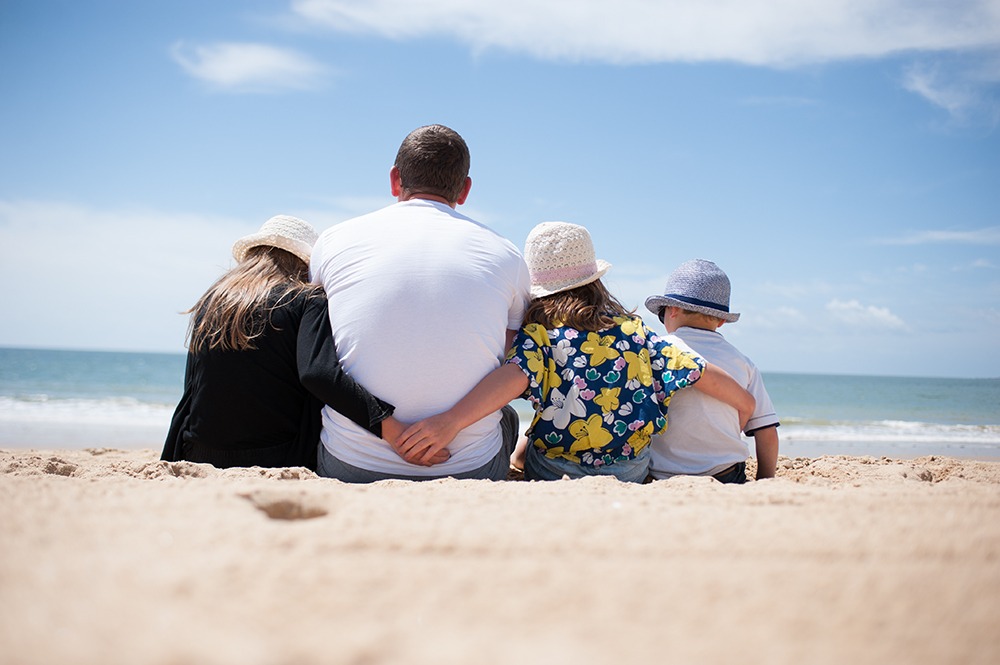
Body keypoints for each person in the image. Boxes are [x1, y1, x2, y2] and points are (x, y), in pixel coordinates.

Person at [395, 222, 756, 483]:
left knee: (523, 426)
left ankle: (520, 461)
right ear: (595, 282)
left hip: (555, 470)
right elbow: (701, 373)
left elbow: (509, 379)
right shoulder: (636, 333)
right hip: (627, 472)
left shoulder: (541, 336)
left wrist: (452, 421)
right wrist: (745, 405)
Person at [310, 124, 532, 482]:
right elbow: (516, 353)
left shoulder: (333, 241)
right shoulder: (506, 254)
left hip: (350, 462)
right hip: (467, 467)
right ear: (465, 190)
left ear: (395, 180)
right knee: (506, 416)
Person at [162, 215, 398, 470]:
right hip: (274, 457)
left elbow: (193, 385)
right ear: (305, 264)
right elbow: (318, 373)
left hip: (198, 451)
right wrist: (383, 422)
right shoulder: (306, 300)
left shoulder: (214, 300)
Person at [644, 259, 780, 483]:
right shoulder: (742, 362)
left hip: (661, 474)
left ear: (673, 309)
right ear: (721, 322)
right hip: (725, 473)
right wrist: (765, 480)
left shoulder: (654, 350)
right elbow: (767, 432)